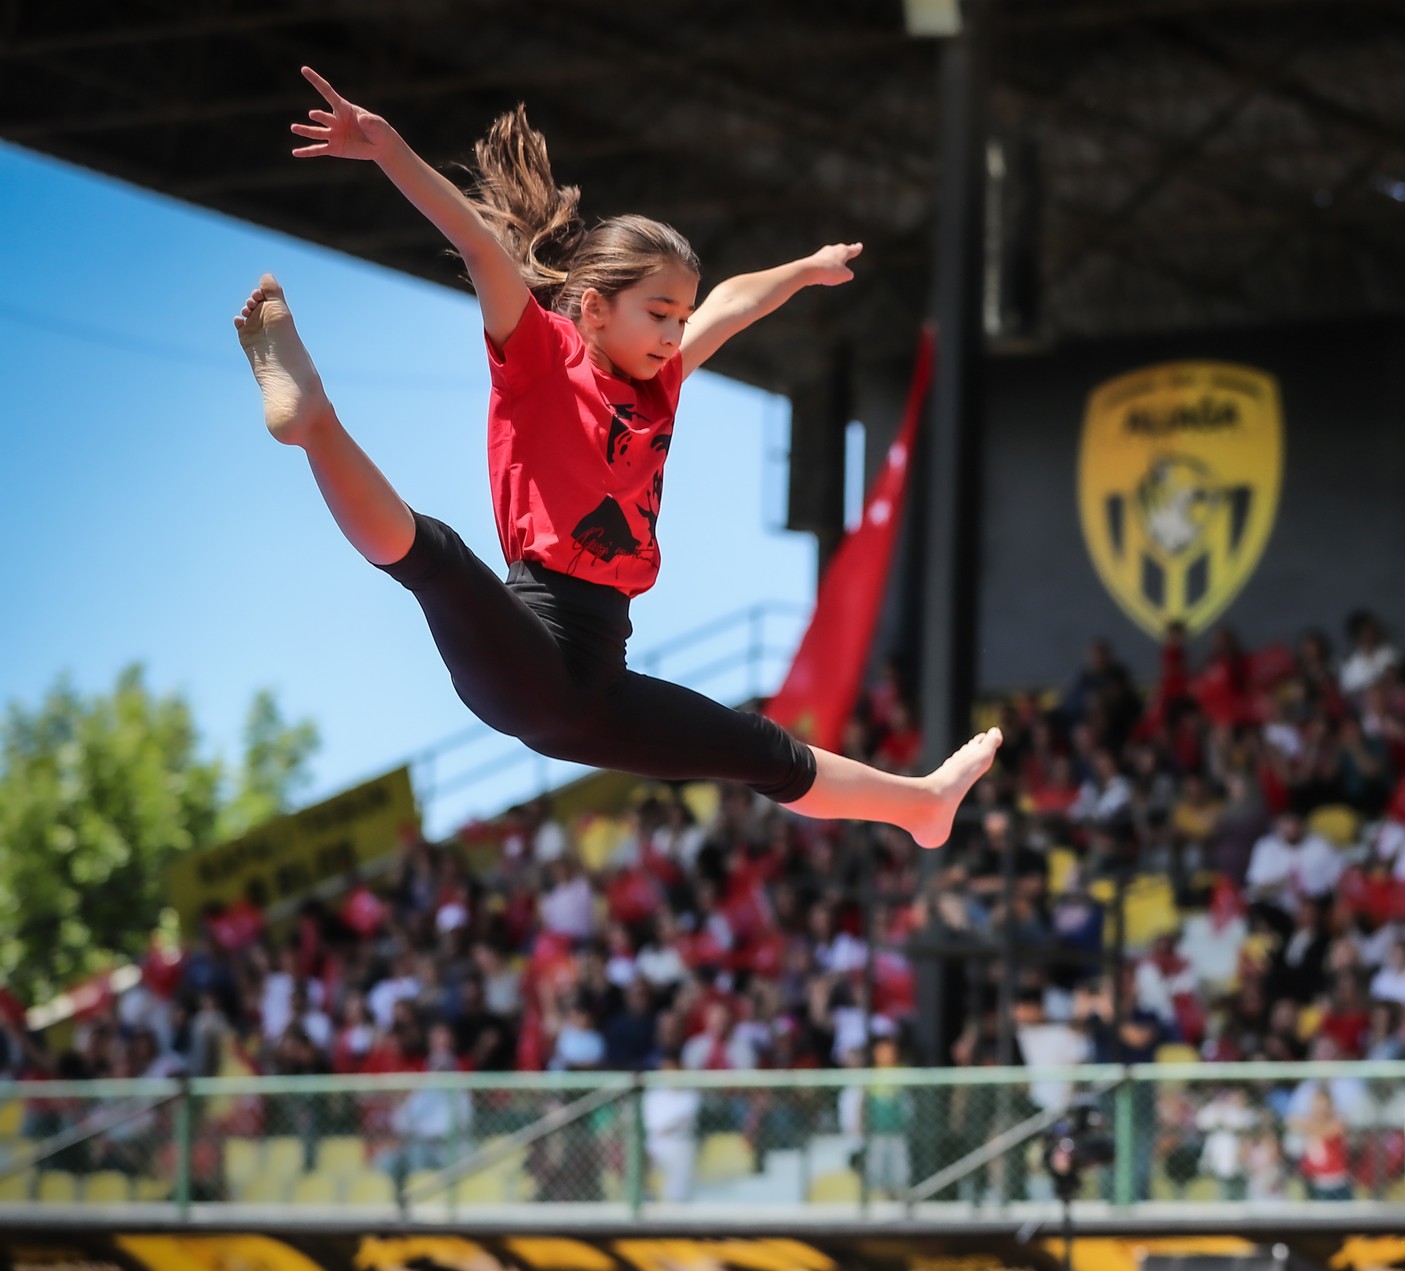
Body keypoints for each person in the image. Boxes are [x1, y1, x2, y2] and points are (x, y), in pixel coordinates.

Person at [235, 68, 998, 846]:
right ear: (594, 309)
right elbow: (476, 240)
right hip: (528, 645)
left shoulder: (659, 382)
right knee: (434, 555)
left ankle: (919, 803)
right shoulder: (538, 354)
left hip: (599, 690)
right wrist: (386, 147)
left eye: (680, 318)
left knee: (764, 749)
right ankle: (316, 424)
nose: (675, 334)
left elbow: (732, 302)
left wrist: (802, 271)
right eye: (660, 314)